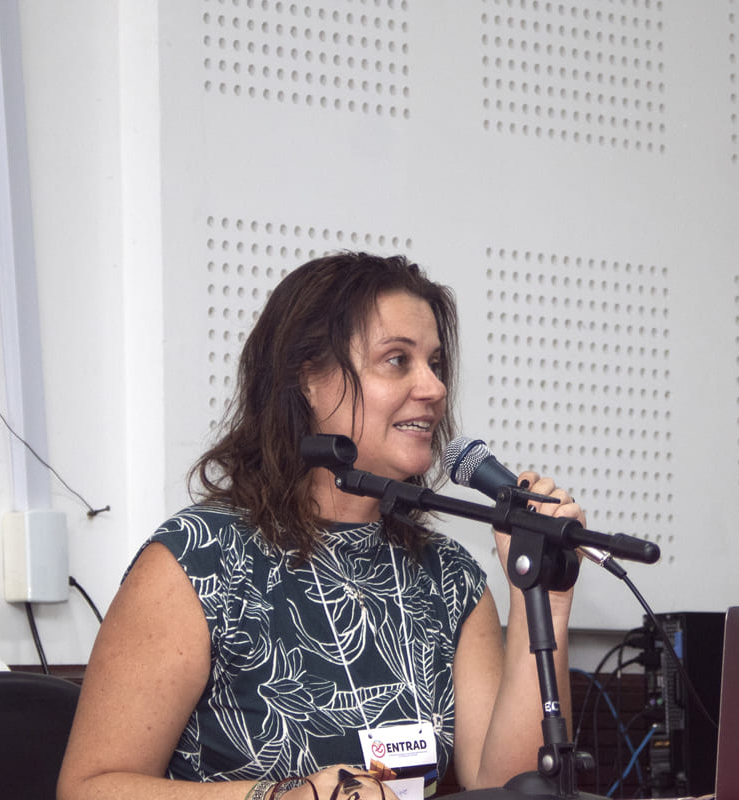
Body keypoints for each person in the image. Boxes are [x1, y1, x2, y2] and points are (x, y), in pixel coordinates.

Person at [58, 252, 586, 800]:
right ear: (308, 378)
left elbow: (510, 790)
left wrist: (541, 604)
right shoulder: (200, 560)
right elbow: (88, 789)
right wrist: (283, 797)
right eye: (397, 360)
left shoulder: (450, 579)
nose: (434, 388)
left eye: (435, 363)